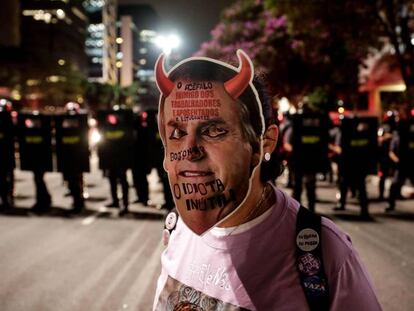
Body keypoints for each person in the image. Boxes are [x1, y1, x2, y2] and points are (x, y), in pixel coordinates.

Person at [152, 50, 381, 310]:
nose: (190, 150)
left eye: (214, 130)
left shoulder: (324, 252)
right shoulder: (177, 228)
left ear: (265, 141)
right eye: (177, 132)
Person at [386, 105, 414, 212]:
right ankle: (391, 204)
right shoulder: (397, 134)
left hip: (411, 162)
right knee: (395, 185)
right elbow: (391, 151)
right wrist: (397, 160)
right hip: (402, 163)